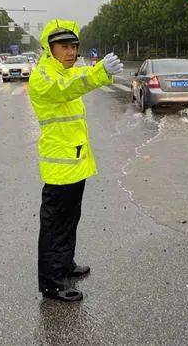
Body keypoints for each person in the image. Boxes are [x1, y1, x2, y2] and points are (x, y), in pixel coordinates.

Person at [28, 19, 124, 302]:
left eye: (74, 46)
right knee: (55, 226)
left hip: (75, 162)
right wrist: (99, 72)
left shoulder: (66, 72)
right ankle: (52, 283)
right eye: (63, 47)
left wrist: (97, 73)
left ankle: (64, 265)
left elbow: (75, 81)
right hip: (60, 167)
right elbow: (67, 87)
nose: (71, 52)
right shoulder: (44, 76)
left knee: (69, 221)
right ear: (49, 48)